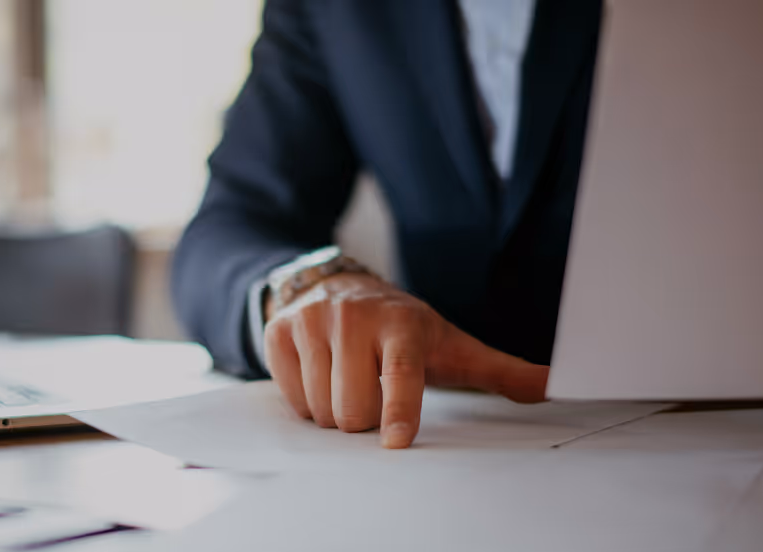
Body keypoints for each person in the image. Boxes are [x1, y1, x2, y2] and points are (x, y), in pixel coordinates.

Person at [172, 0, 602, 448]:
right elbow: (230, 225)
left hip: (672, 430)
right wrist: (306, 288)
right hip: (436, 440)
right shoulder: (331, 10)